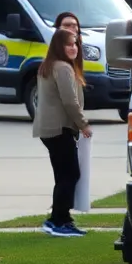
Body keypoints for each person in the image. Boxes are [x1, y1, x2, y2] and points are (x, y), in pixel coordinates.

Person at [31, 28, 92, 238]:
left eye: (75, 44)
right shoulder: (63, 68)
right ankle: (58, 220)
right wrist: (83, 124)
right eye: (69, 44)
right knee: (70, 174)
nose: (74, 48)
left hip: (48, 129)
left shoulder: (49, 66)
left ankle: (61, 218)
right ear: (59, 46)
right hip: (59, 129)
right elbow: (69, 101)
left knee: (63, 175)